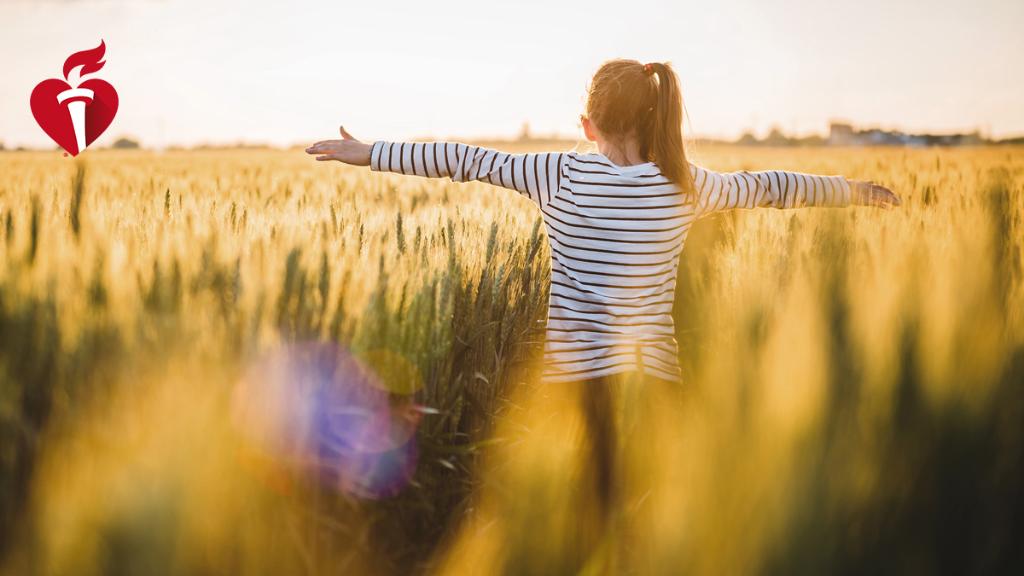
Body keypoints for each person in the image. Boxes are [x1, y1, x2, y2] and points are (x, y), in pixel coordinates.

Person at [306, 58, 900, 563]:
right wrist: (852, 190)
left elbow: (465, 159)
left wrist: (368, 151)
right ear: (651, 117)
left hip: (580, 387)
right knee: (654, 530)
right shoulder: (685, 185)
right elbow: (770, 187)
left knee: (592, 530)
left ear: (587, 126)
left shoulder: (556, 174)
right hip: (657, 385)